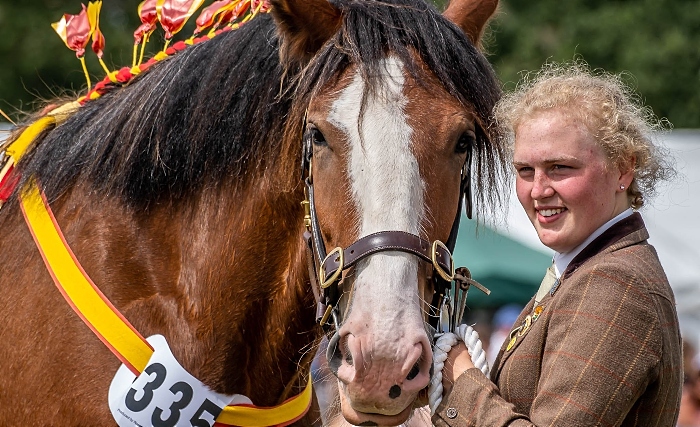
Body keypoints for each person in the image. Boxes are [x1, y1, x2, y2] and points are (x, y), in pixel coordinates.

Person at [433, 62, 683, 426]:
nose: (538, 190)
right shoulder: (586, 268)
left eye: (560, 168)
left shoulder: (615, 283)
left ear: (623, 169)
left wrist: (460, 377)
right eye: (525, 171)